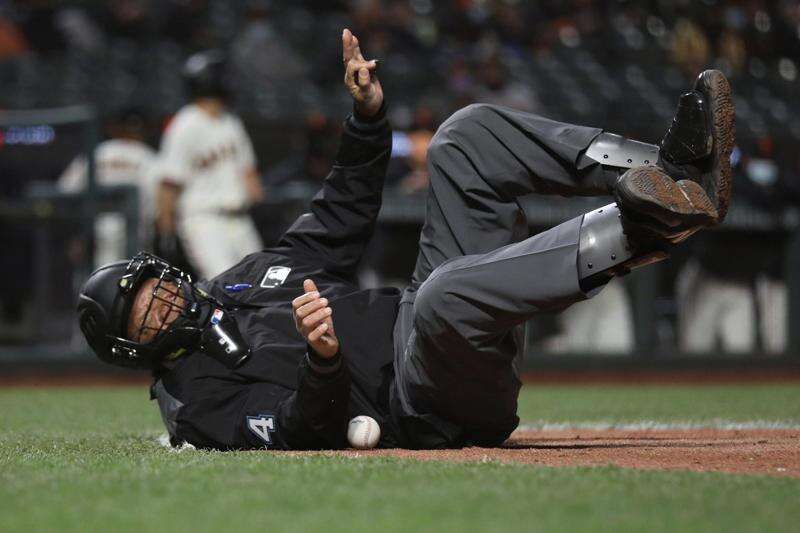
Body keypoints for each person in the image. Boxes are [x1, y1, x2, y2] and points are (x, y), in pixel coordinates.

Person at [76, 29, 734, 450]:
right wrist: (324, 359)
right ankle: (644, 226)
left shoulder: (242, 278)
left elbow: (342, 213)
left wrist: (367, 119)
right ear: (135, 350)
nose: (163, 302)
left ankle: (672, 172)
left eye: (155, 286)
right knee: (444, 295)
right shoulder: (194, 402)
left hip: (429, 319)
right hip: (426, 401)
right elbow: (296, 429)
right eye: (146, 314)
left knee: (463, 136)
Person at [156, 49, 266, 280]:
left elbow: (250, 175)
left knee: (260, 284)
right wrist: (166, 233)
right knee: (225, 288)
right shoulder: (185, 124)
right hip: (204, 221)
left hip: (240, 219)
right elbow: (169, 183)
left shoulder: (231, 121)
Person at [58, 109, 157, 268]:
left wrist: (74, 233)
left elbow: (65, 191)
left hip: (95, 228)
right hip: (133, 232)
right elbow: (156, 206)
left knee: (92, 284)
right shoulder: (149, 157)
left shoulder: (98, 152)